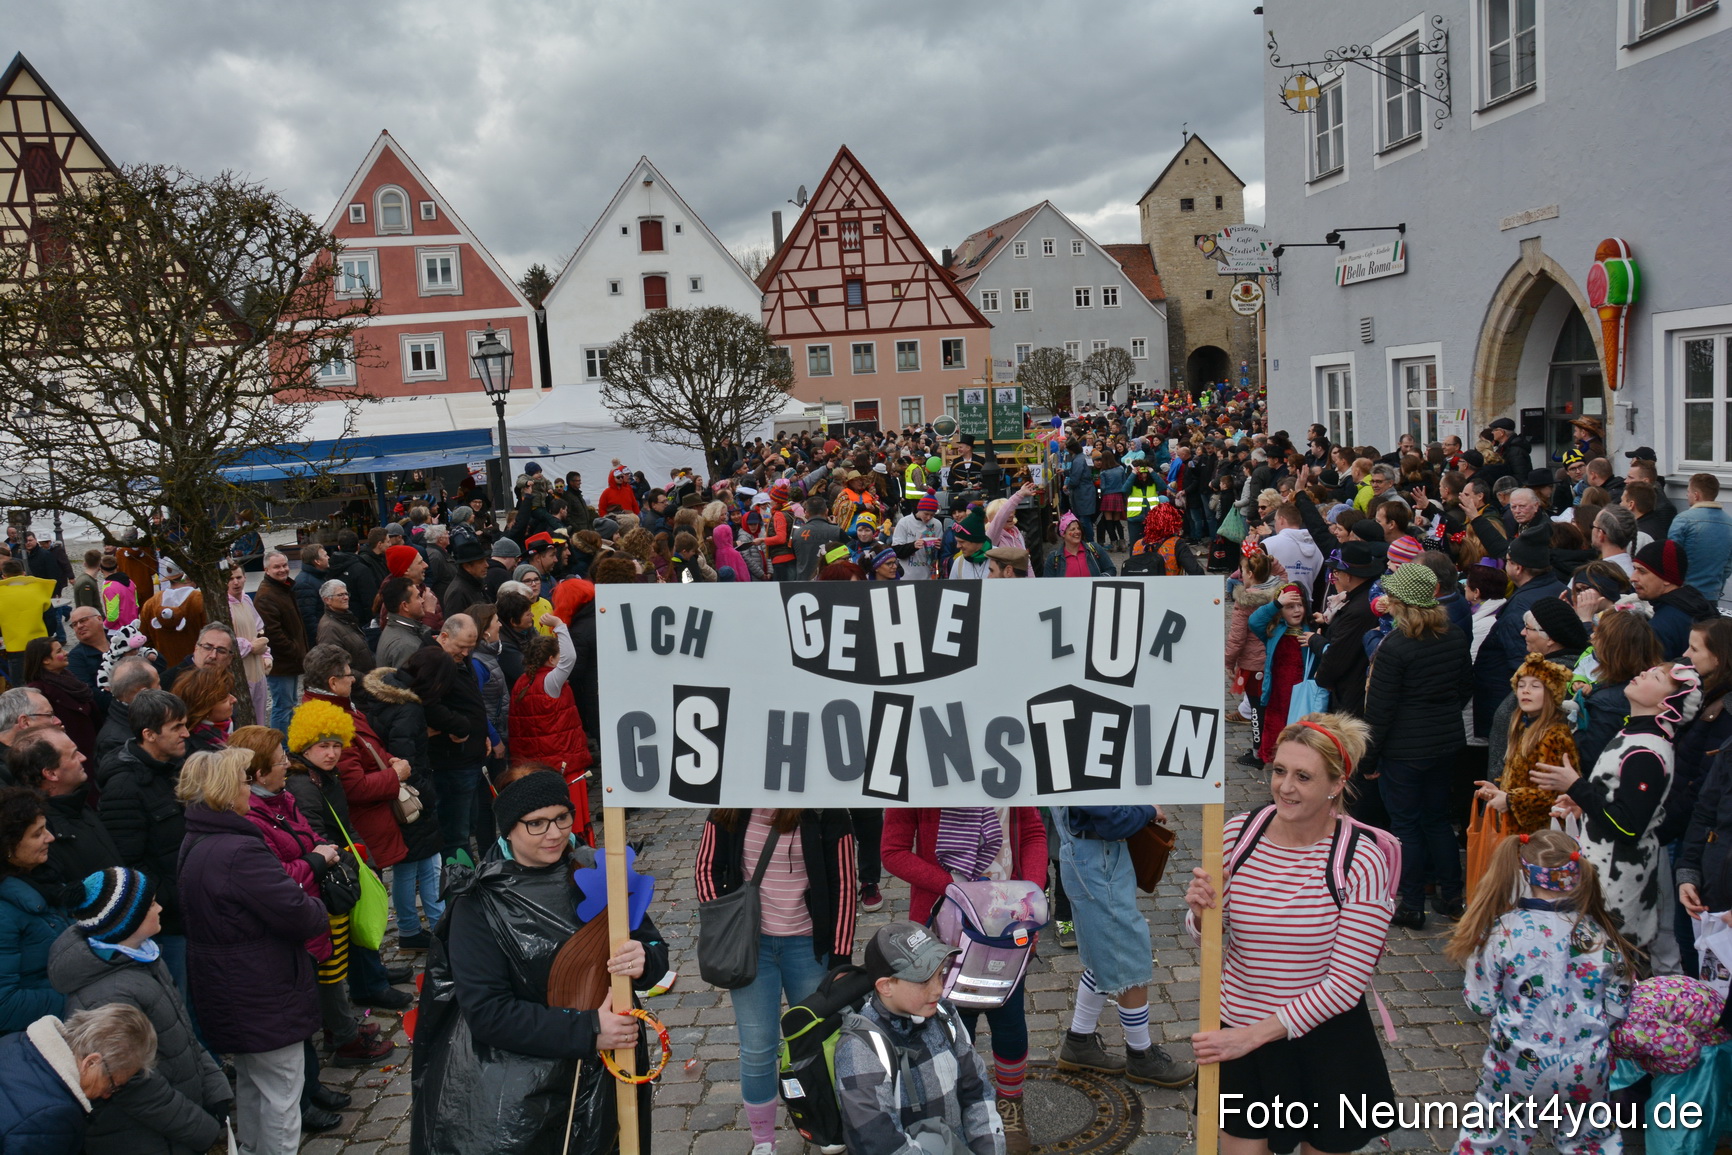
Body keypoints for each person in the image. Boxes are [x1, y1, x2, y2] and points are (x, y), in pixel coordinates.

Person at [410, 771, 668, 1155]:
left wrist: (644, 957)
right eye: (537, 823)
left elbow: (653, 949)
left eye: (563, 817)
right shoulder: (479, 904)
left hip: (607, 1076)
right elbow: (488, 1012)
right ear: (509, 829)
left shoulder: (596, 872)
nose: (554, 833)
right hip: (520, 1093)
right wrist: (589, 1031)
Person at [1183, 713, 1397, 1155]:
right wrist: (1200, 912)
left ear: (1336, 784)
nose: (1284, 786)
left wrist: (1251, 1035)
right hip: (1240, 1031)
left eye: (1303, 776)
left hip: (1323, 1042)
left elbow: (1345, 985)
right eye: (1279, 771)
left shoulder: (1361, 861)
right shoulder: (1238, 835)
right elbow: (1207, 935)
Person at [177, 747, 328, 1155]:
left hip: (229, 983)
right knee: (282, 1092)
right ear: (227, 792)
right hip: (260, 987)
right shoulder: (239, 851)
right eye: (244, 781)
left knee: (254, 1085)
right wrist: (316, 904)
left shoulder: (196, 840)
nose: (251, 788)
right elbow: (298, 912)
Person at [1445, 831, 1634, 1155]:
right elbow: (1618, 1006)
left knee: (1491, 1139)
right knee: (1589, 1142)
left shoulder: (1501, 932)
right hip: (1585, 1066)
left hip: (1517, 1065)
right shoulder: (1600, 935)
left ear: (1522, 871)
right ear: (1577, 873)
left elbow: (1481, 1001)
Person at [882, 807, 1046, 1155]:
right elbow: (892, 852)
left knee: (1009, 1017)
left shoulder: (1011, 766)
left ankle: (1010, 1108)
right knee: (949, 1026)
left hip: (1007, 921)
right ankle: (958, 1108)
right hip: (942, 923)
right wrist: (954, 887)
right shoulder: (923, 776)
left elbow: (1032, 832)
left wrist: (1029, 894)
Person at [694, 808, 855, 1155]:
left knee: (822, 1042)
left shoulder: (826, 812)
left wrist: (840, 957)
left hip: (809, 947)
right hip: (753, 948)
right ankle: (763, 1141)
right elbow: (705, 868)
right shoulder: (730, 810)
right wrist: (724, 921)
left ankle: (828, 1123)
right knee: (757, 1048)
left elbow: (844, 883)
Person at [47, 867, 232, 1155]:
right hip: (146, 1138)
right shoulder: (107, 996)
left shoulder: (143, 958)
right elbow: (135, 1088)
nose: (160, 907)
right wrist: (200, 1126)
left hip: (173, 1125)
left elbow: (180, 1029)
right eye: (151, 903)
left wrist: (214, 1086)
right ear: (127, 921)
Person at [1533, 662, 1700, 961]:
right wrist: (1583, 800)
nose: (1643, 672)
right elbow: (1615, 799)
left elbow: (1627, 826)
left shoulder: (1647, 750)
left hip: (1617, 886)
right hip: (1601, 873)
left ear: (1666, 703)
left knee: (1605, 965)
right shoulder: (1633, 733)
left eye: (1656, 676)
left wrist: (1576, 786)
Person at [1361, 563, 1474, 928]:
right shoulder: (1454, 635)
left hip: (1404, 750)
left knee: (1406, 825)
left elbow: (1379, 710)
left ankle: (1410, 904)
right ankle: (1452, 895)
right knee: (1437, 820)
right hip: (1444, 743)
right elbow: (1463, 689)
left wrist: (1369, 759)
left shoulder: (1395, 646)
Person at [833, 920, 1006, 1155]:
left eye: (941, 973)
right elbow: (879, 1142)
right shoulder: (860, 1049)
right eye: (924, 980)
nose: (938, 989)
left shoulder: (946, 1015)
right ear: (885, 986)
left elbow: (977, 1092)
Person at [1052, 805, 1194, 1087]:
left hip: (1088, 852)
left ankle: (1079, 1041)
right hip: (1096, 855)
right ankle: (1140, 1055)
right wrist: (1146, 810)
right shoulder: (1080, 759)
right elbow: (1112, 820)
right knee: (1129, 959)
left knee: (1103, 954)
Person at [96, 690, 192, 998]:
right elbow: (128, 862)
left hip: (191, 907)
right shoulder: (123, 787)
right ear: (148, 734)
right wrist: (174, 896)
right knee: (180, 997)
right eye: (176, 727)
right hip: (170, 921)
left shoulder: (174, 765)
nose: (186, 734)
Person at [1471, 654, 1577, 890]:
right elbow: (1519, 778)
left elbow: (1554, 797)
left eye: (1535, 686)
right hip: (1516, 835)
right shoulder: (1522, 727)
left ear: (1552, 693)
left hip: (1540, 843)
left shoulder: (1554, 736)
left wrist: (1510, 799)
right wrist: (1497, 789)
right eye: (1521, 685)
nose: (1525, 691)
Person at [360, 667, 444, 950]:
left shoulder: (380, 701)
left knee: (408, 866)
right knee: (427, 865)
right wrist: (428, 794)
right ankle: (437, 925)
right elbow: (408, 761)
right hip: (412, 796)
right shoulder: (408, 710)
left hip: (398, 796)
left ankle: (410, 927)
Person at [0, 1005, 158, 1153]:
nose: (107, 1095)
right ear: (91, 1062)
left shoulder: (15, 1042)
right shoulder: (55, 1117)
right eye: (112, 1085)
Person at [408, 617, 490, 864]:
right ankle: (460, 886)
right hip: (452, 761)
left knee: (467, 825)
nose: (465, 654)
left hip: (469, 755)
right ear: (443, 637)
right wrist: (461, 726)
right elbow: (429, 703)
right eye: (461, 648)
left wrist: (481, 732)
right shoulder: (432, 662)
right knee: (456, 833)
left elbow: (470, 700)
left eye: (470, 648)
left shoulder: (455, 656)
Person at [508, 617, 594, 842]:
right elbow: (571, 658)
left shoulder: (521, 683)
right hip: (562, 763)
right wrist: (560, 626)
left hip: (536, 764)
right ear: (551, 659)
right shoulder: (551, 682)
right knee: (569, 817)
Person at [8, 729, 121, 890]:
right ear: (51, 773)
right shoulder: (42, 833)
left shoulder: (76, 802)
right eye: (74, 755)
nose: (83, 758)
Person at [0, 786, 73, 1033]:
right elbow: (4, 1006)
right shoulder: (4, 914)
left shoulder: (45, 880)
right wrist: (83, 1000)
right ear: (8, 847)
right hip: (40, 1042)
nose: (51, 837)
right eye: (37, 833)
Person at [1246, 583, 1313, 765]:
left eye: (1300, 605)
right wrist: (1276, 603)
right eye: (1290, 607)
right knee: (1276, 732)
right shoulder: (1274, 632)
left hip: (1301, 696)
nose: (1297, 610)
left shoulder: (1311, 630)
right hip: (1277, 695)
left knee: (1300, 735)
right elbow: (1254, 621)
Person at [1631, 539, 1720, 659]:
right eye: (1634, 569)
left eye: (1642, 571)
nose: (1633, 577)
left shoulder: (1660, 627)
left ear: (1667, 579)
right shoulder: (1698, 604)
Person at [255, 551, 308, 733]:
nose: (282, 569)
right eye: (277, 566)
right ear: (266, 569)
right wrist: (295, 650)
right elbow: (273, 634)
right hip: (281, 662)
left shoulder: (283, 588)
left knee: (290, 704)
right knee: (282, 707)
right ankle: (282, 747)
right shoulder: (266, 596)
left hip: (290, 661)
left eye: (284, 565)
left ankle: (290, 742)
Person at [25, 637, 98, 764]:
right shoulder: (38, 692)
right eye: (59, 651)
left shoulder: (68, 678)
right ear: (46, 660)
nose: (65, 653)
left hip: (93, 747)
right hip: (73, 754)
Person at [226, 562, 273, 726]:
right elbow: (226, 641)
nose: (235, 582)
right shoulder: (224, 606)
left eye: (238, 577)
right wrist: (250, 646)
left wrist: (266, 655)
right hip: (239, 673)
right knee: (245, 722)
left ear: (245, 578)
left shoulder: (246, 599)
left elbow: (259, 629)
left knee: (259, 721)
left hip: (258, 671)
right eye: (230, 579)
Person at [0, 559, 56, 686]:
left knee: (22, 688)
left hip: (15, 647)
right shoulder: (39, 590)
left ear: (4, 576)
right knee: (46, 683)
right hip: (40, 644)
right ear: (24, 573)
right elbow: (51, 620)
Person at [175, 666, 236, 756]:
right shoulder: (193, 749)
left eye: (230, 694)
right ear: (204, 708)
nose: (234, 700)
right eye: (224, 700)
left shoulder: (230, 722)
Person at [374, 576, 430, 671]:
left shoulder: (394, 629)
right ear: (405, 606)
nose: (422, 600)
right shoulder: (406, 646)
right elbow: (410, 684)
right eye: (418, 597)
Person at [1044, 512, 1116, 577]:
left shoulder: (1095, 549)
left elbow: (1111, 570)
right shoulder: (1053, 558)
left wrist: (1099, 581)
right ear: (1063, 534)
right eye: (1072, 529)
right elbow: (1048, 584)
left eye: (1078, 528)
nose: (1077, 531)